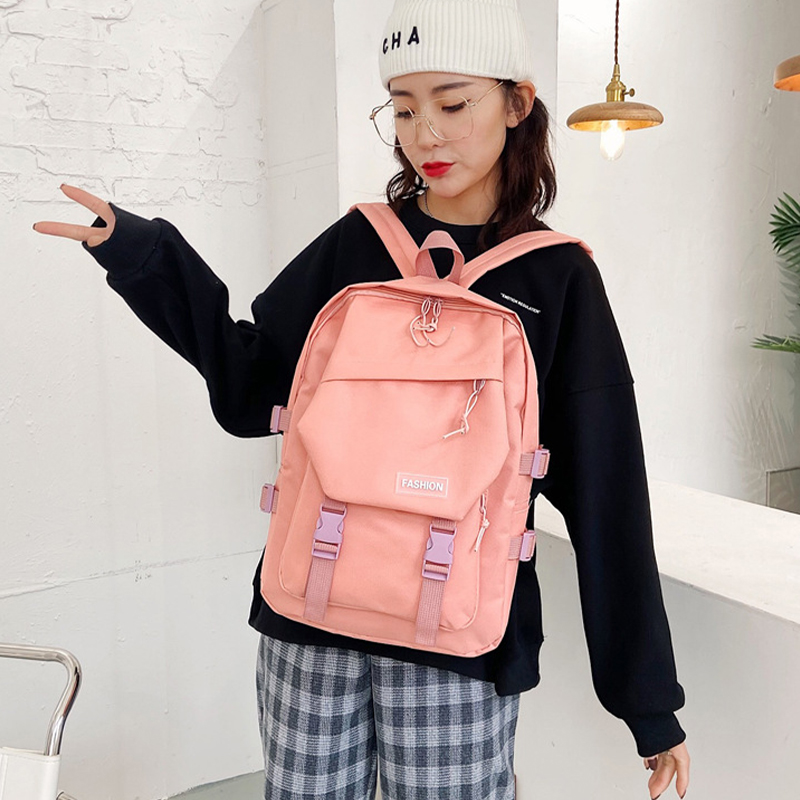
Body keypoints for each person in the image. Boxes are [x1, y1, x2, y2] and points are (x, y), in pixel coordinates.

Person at [33, 0, 691, 797]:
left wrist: (648, 705)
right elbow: (250, 391)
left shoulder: (557, 279)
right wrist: (147, 259)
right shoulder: (359, 242)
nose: (426, 135)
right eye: (404, 109)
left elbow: (606, 493)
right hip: (310, 622)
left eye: (453, 104)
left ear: (518, 103)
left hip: (457, 643)